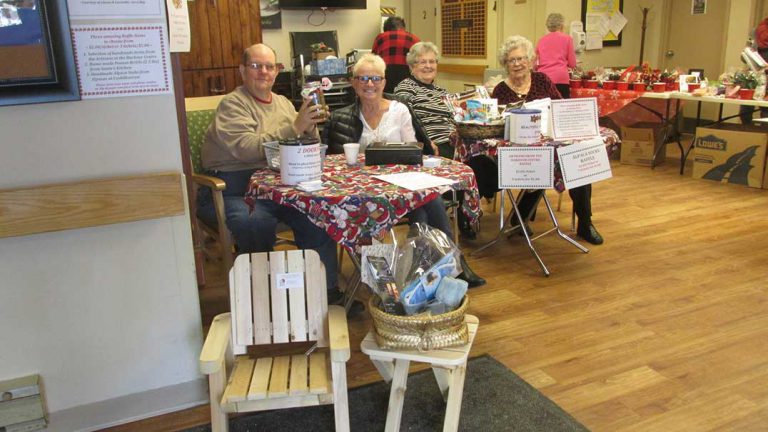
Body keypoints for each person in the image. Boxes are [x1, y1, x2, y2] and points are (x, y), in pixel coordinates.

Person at [199, 43, 363, 313]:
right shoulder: (233, 104)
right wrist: (295, 126)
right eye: (256, 66)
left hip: (279, 186)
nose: (263, 72)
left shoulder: (284, 103)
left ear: (277, 71)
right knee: (254, 222)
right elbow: (245, 148)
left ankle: (327, 291)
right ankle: (264, 301)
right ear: (242, 70)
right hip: (232, 188)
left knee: (319, 215)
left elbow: (306, 145)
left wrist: (310, 128)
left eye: (269, 66)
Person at [322, 53, 486, 287]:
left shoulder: (399, 110)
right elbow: (333, 164)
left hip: (401, 181)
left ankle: (433, 269)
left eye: (376, 78)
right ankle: (444, 268)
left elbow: (413, 151)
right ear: (353, 82)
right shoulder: (340, 117)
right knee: (424, 206)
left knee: (427, 200)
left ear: (384, 82)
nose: (370, 84)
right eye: (363, 78)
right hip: (363, 192)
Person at [492, 35, 603, 245]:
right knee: (542, 163)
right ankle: (520, 216)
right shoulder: (500, 90)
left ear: (531, 60)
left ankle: (585, 223)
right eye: (511, 60)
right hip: (518, 152)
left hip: (550, 145)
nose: (517, 64)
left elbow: (561, 108)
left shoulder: (542, 80)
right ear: (505, 64)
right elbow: (497, 125)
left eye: (521, 58)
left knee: (576, 160)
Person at [393, 41, 479, 239]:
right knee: (471, 168)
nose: (428, 66)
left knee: (483, 165)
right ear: (412, 67)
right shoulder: (406, 87)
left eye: (432, 61)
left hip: (455, 143)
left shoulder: (442, 92)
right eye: (422, 62)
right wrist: (426, 140)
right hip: (433, 146)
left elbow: (454, 119)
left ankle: (463, 213)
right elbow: (406, 117)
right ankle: (449, 222)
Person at [372, 16, 420, 94]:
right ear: (403, 27)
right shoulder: (415, 39)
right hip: (408, 77)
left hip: (386, 76)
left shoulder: (381, 37)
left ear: (386, 29)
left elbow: (372, 60)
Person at [535, 13, 577, 99]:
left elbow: (535, 64)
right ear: (562, 25)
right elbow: (572, 64)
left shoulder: (541, 40)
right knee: (561, 108)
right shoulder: (567, 39)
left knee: (545, 108)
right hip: (560, 78)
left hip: (543, 78)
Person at [739, 17, 768, 124]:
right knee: (744, 112)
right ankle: (749, 136)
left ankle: (762, 138)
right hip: (753, 78)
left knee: (766, 113)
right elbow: (744, 55)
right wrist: (746, 54)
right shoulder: (756, 31)